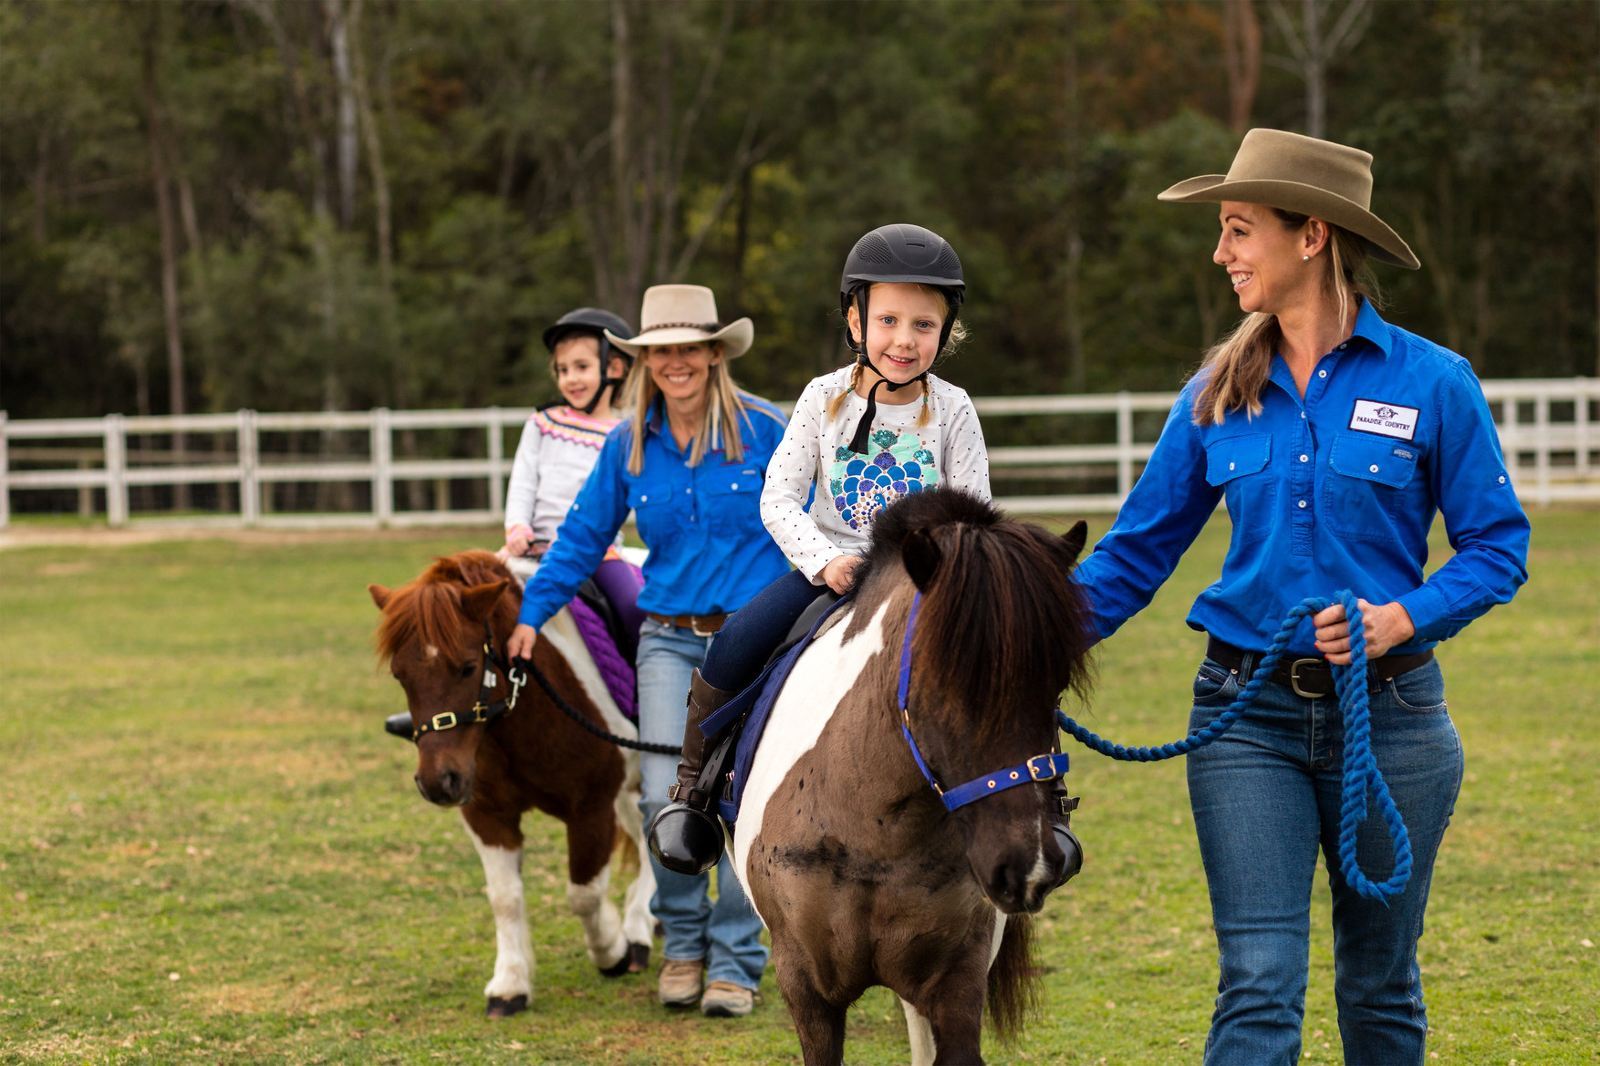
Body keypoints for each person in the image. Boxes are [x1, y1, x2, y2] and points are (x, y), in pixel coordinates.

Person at [1071, 128, 1530, 1064]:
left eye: (1239, 231)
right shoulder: (1213, 392)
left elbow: (1498, 547)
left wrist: (1403, 615)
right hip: (1244, 719)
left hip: (1393, 720)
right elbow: (1132, 557)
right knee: (1258, 984)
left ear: (1311, 235)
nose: (1222, 253)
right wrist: (1016, 641)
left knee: (1381, 985)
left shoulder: (1435, 383)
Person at [653, 223, 1013, 877]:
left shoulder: (955, 410)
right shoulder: (824, 399)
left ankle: (1030, 801)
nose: (904, 340)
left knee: (1005, 658)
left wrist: (942, 572)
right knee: (735, 643)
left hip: (924, 583)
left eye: (924, 326)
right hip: (834, 573)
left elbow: (975, 513)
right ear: (856, 319)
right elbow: (778, 499)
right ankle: (693, 794)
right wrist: (822, 560)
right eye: (889, 320)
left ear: (946, 332)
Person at [505, 284, 790, 1020]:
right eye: (661, 351)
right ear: (643, 362)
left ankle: (736, 959)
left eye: (689, 348)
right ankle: (684, 944)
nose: (676, 362)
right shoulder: (627, 444)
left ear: (714, 354)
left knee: (744, 795)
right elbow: (580, 538)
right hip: (667, 638)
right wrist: (532, 614)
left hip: (754, 637)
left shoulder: (768, 431)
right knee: (667, 792)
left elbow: (813, 521)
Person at [381, 307, 643, 740]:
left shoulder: (627, 434)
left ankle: (641, 699)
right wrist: (516, 527)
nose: (570, 379)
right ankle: (438, 702)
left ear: (614, 367)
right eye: (562, 370)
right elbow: (523, 480)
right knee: (456, 607)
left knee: (633, 607)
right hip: (531, 545)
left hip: (595, 552)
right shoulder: (543, 424)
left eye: (581, 367)